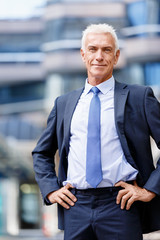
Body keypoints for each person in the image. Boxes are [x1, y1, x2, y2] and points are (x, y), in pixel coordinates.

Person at [32, 23, 160, 240]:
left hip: (120, 205)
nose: (99, 56)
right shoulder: (64, 103)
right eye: (93, 49)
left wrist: (149, 190)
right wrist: (51, 189)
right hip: (76, 206)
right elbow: (41, 153)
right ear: (83, 55)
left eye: (106, 50)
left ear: (116, 56)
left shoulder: (140, 97)